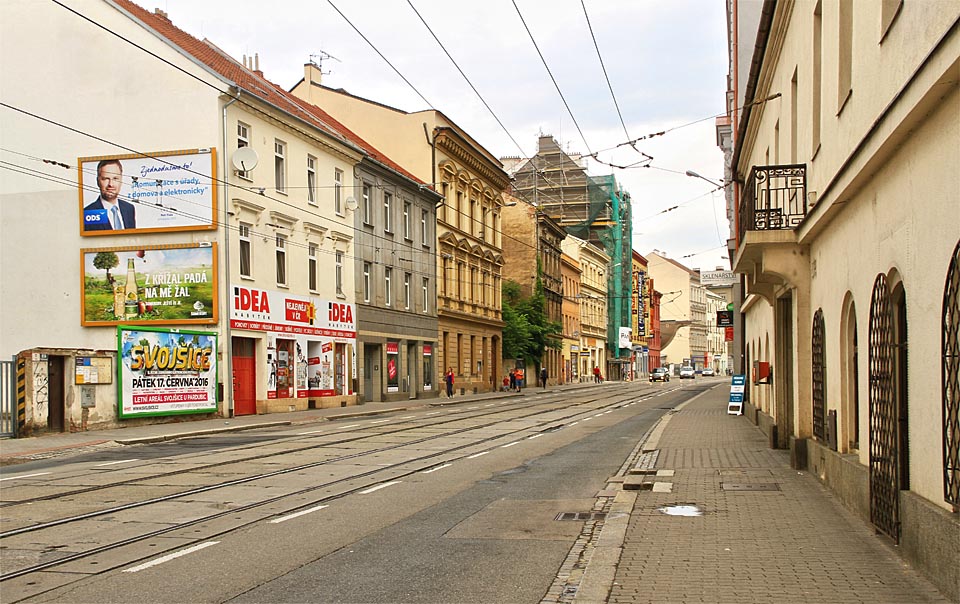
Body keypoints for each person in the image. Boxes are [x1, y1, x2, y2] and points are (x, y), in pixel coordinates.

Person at [83, 159, 136, 231]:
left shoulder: (129, 208)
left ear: (121, 180)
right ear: (98, 181)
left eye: (115, 178)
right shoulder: (88, 213)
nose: (111, 184)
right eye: (105, 179)